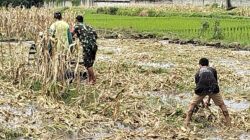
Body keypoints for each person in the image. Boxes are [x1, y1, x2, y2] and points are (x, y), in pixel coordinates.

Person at [185, 58, 231, 128]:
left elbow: (199, 89)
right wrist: (208, 100)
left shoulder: (198, 72)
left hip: (201, 88)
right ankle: (229, 125)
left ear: (200, 65)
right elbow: (214, 84)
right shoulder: (213, 70)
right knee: (222, 105)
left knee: (192, 105)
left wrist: (202, 102)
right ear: (208, 64)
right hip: (213, 88)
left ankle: (186, 124)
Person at [71, 15, 98, 85]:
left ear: (76, 20)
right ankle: (88, 80)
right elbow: (96, 35)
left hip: (87, 46)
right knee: (90, 63)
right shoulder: (89, 26)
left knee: (87, 64)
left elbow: (71, 34)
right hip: (94, 46)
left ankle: (94, 80)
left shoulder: (77, 26)